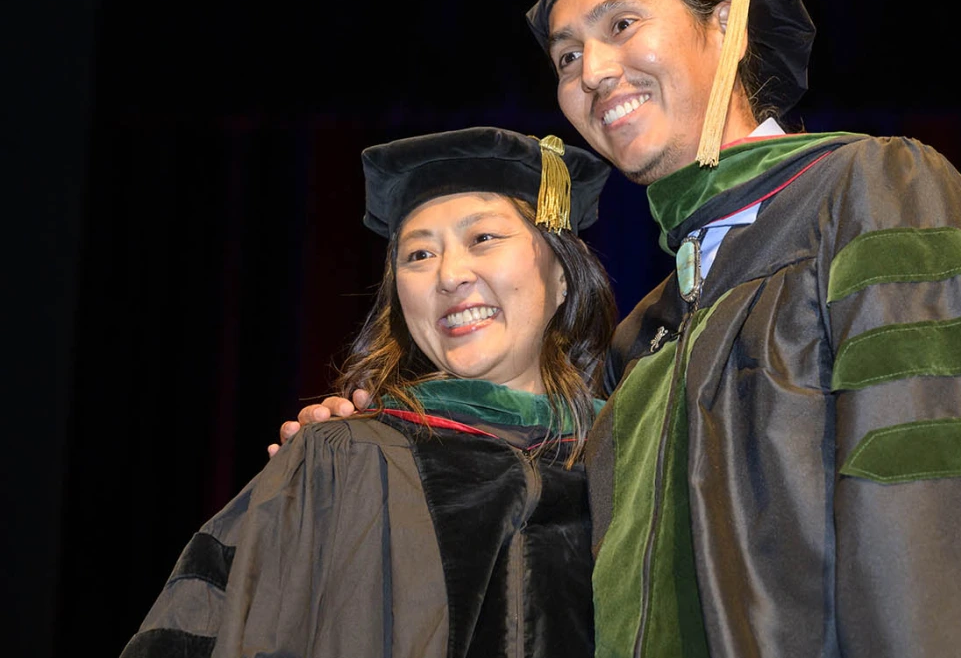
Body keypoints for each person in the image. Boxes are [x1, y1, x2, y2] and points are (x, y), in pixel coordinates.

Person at [289, 0, 961, 655]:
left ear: (724, 26)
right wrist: (379, 440)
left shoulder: (871, 195)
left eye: (622, 25)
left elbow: (951, 519)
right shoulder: (648, 331)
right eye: (568, 55)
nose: (593, 72)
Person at [122, 126, 617, 658]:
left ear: (562, 273)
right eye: (419, 255)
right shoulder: (344, 461)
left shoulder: (633, 460)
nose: (449, 276)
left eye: (483, 239)